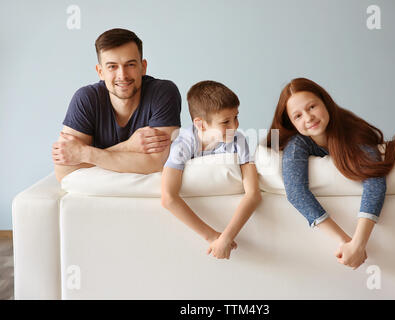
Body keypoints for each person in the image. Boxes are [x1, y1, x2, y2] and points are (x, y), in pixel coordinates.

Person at [267, 77, 395, 270]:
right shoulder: (297, 143)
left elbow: (374, 180)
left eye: (312, 107)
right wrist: (347, 242)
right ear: (292, 123)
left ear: (325, 102)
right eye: (298, 116)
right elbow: (296, 192)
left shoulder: (352, 131)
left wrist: (360, 243)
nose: (308, 118)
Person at [52, 28, 181, 182]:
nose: (122, 75)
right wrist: (128, 147)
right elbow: (64, 171)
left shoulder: (163, 93)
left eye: (130, 64)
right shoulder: (86, 98)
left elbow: (159, 162)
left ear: (143, 67)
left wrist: (84, 154)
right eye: (112, 66)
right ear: (100, 72)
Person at [161, 80, 262, 260]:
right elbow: (168, 198)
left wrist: (227, 237)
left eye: (236, 117)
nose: (235, 126)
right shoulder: (183, 144)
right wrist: (213, 237)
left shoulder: (238, 141)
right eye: (226, 121)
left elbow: (253, 194)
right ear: (200, 124)